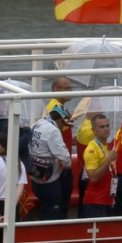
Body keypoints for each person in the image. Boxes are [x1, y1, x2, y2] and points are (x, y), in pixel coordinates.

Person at [28, 111, 71, 220]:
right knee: (52, 213)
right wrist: (67, 166)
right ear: (60, 120)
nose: (62, 128)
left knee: (45, 208)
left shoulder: (35, 126)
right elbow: (65, 157)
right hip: (50, 181)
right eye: (64, 125)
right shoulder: (53, 131)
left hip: (35, 177)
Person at [44, 78, 76, 219]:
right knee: (60, 204)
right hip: (61, 165)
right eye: (67, 88)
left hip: (61, 161)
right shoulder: (57, 109)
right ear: (56, 90)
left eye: (71, 88)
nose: (71, 91)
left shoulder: (56, 107)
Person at [82, 114, 117, 219]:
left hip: (107, 199)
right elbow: (93, 177)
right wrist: (109, 160)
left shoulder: (107, 147)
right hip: (95, 202)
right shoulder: (91, 150)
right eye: (101, 127)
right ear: (94, 130)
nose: (106, 129)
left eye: (107, 126)